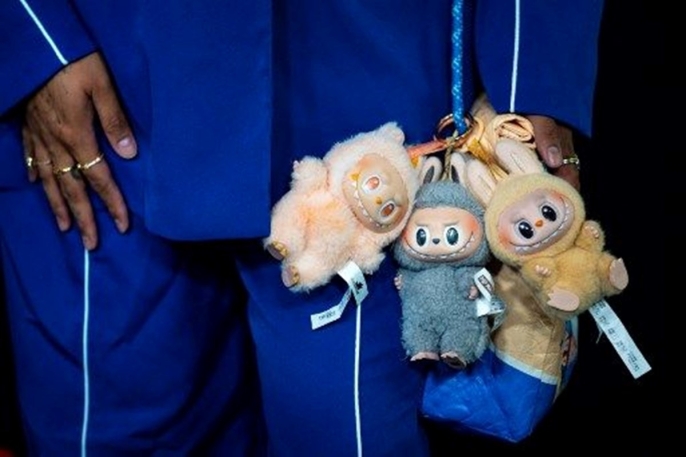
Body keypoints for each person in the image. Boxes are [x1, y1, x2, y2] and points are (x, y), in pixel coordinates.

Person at [0, 1, 605, 455]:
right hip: (114, 86)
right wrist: (37, 37)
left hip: (373, 119)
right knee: (113, 431)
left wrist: (530, 73)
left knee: (353, 435)